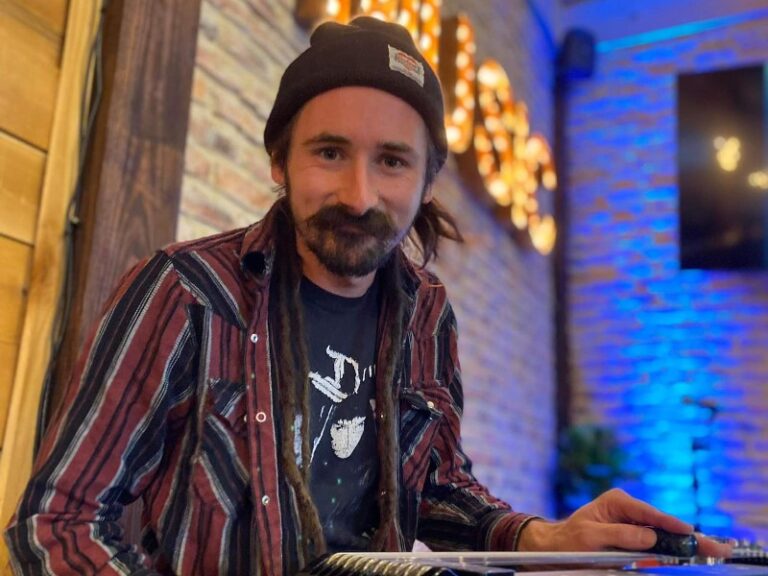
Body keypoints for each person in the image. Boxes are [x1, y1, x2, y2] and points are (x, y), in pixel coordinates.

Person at [5, 16, 731, 576]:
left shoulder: (426, 313)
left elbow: (437, 487)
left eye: (391, 161)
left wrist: (545, 538)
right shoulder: (185, 291)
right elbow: (58, 518)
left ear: (424, 180)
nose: (358, 195)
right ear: (279, 161)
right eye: (329, 152)